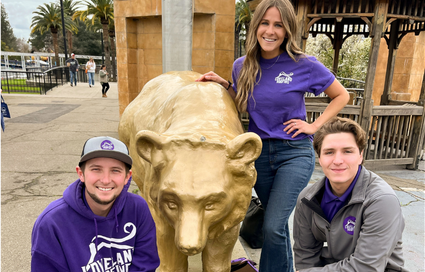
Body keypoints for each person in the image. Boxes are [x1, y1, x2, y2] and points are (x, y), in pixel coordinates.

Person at [196, 0, 349, 271]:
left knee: (273, 226)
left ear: (288, 30)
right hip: (260, 156)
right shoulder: (242, 65)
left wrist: (313, 127)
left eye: (278, 25)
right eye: (265, 23)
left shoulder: (304, 64)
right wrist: (225, 85)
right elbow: (241, 104)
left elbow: (341, 95)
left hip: (294, 152)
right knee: (275, 229)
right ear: (256, 27)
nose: (270, 31)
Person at [293, 117, 408, 272]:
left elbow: (366, 268)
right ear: (319, 158)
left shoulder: (381, 200)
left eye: (347, 151)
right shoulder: (307, 199)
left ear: (360, 155)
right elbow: (305, 257)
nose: (338, 160)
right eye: (329, 152)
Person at [31, 136, 160, 272]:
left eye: (115, 170)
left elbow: (146, 265)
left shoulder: (137, 208)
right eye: (96, 169)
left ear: (127, 177)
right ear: (81, 174)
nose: (105, 180)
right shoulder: (52, 223)